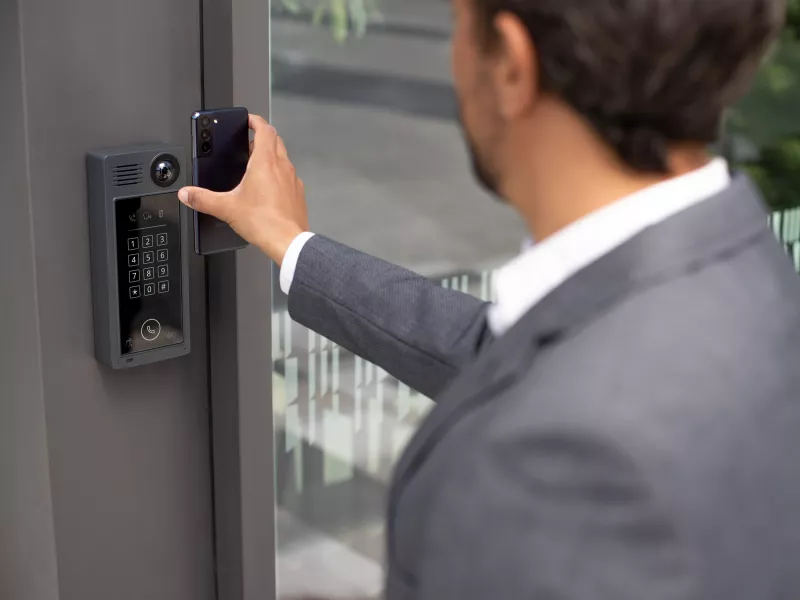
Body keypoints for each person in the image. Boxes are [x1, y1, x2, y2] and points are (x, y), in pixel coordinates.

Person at [180, 0, 800, 596]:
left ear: (510, 63)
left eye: (457, 25)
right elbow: (503, 352)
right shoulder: (746, 276)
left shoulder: (551, 464)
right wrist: (294, 247)